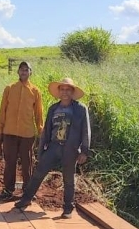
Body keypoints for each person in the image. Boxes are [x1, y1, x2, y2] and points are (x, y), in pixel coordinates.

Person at [14, 77, 91, 219]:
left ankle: (68, 208)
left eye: (68, 89)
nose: (65, 92)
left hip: (70, 148)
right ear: (59, 91)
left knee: (68, 179)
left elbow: (86, 131)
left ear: (72, 92)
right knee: (39, 172)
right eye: (62, 89)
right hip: (54, 146)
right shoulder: (53, 108)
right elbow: (46, 131)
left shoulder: (80, 109)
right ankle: (26, 199)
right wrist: (41, 151)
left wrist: (84, 151)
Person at [0, 61, 44, 200]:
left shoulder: (35, 91)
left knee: (27, 162)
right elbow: (2, 110)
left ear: (30, 72)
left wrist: (41, 131)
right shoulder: (9, 89)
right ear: (18, 72)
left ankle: (28, 191)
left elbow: (38, 114)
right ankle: (8, 190)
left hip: (27, 133)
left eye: (26, 70)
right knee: (10, 162)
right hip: (9, 132)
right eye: (21, 69)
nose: (23, 72)